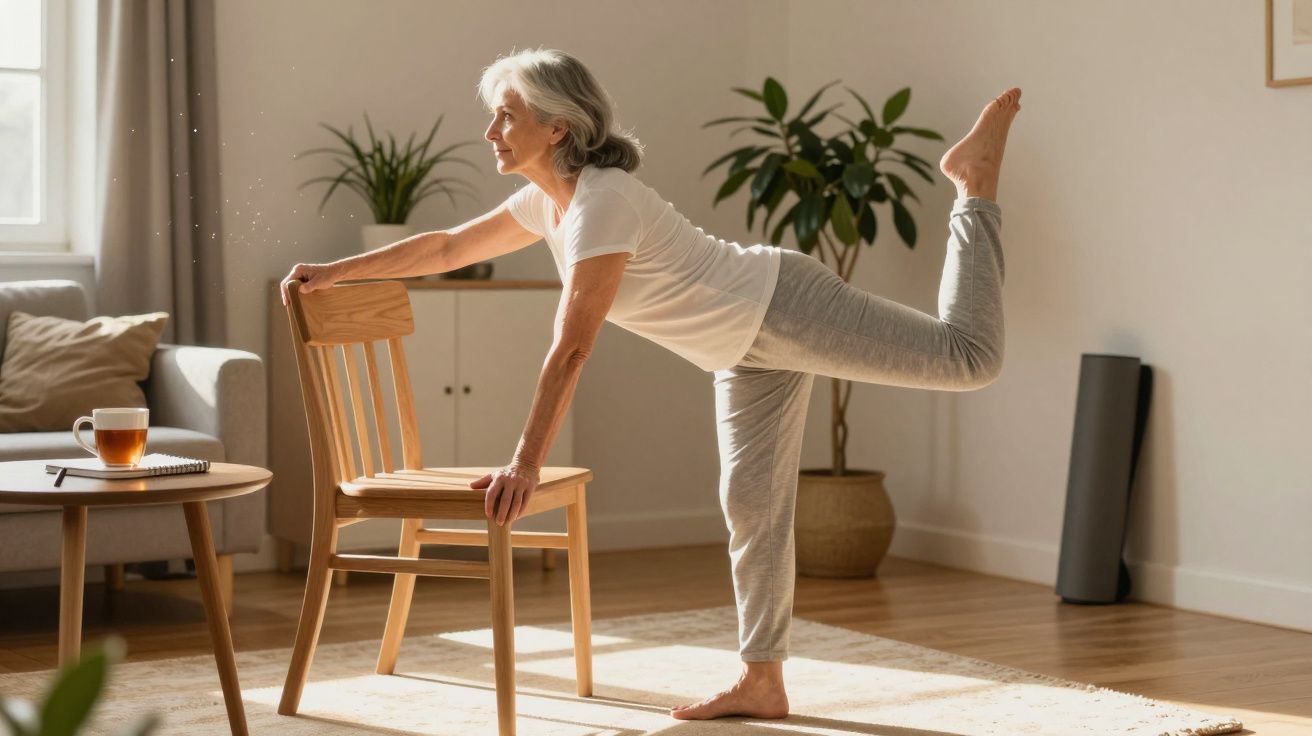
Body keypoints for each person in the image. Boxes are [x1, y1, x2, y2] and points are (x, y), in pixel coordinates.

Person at [280, 47, 1021, 721]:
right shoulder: (549, 203)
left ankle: (972, 187)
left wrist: (525, 462)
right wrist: (334, 272)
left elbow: (572, 346)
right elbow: (446, 246)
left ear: (558, 128)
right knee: (752, 504)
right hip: (742, 349)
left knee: (968, 357)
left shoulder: (604, 201)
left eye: (506, 114)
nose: (492, 130)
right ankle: (763, 678)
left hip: (779, 303)